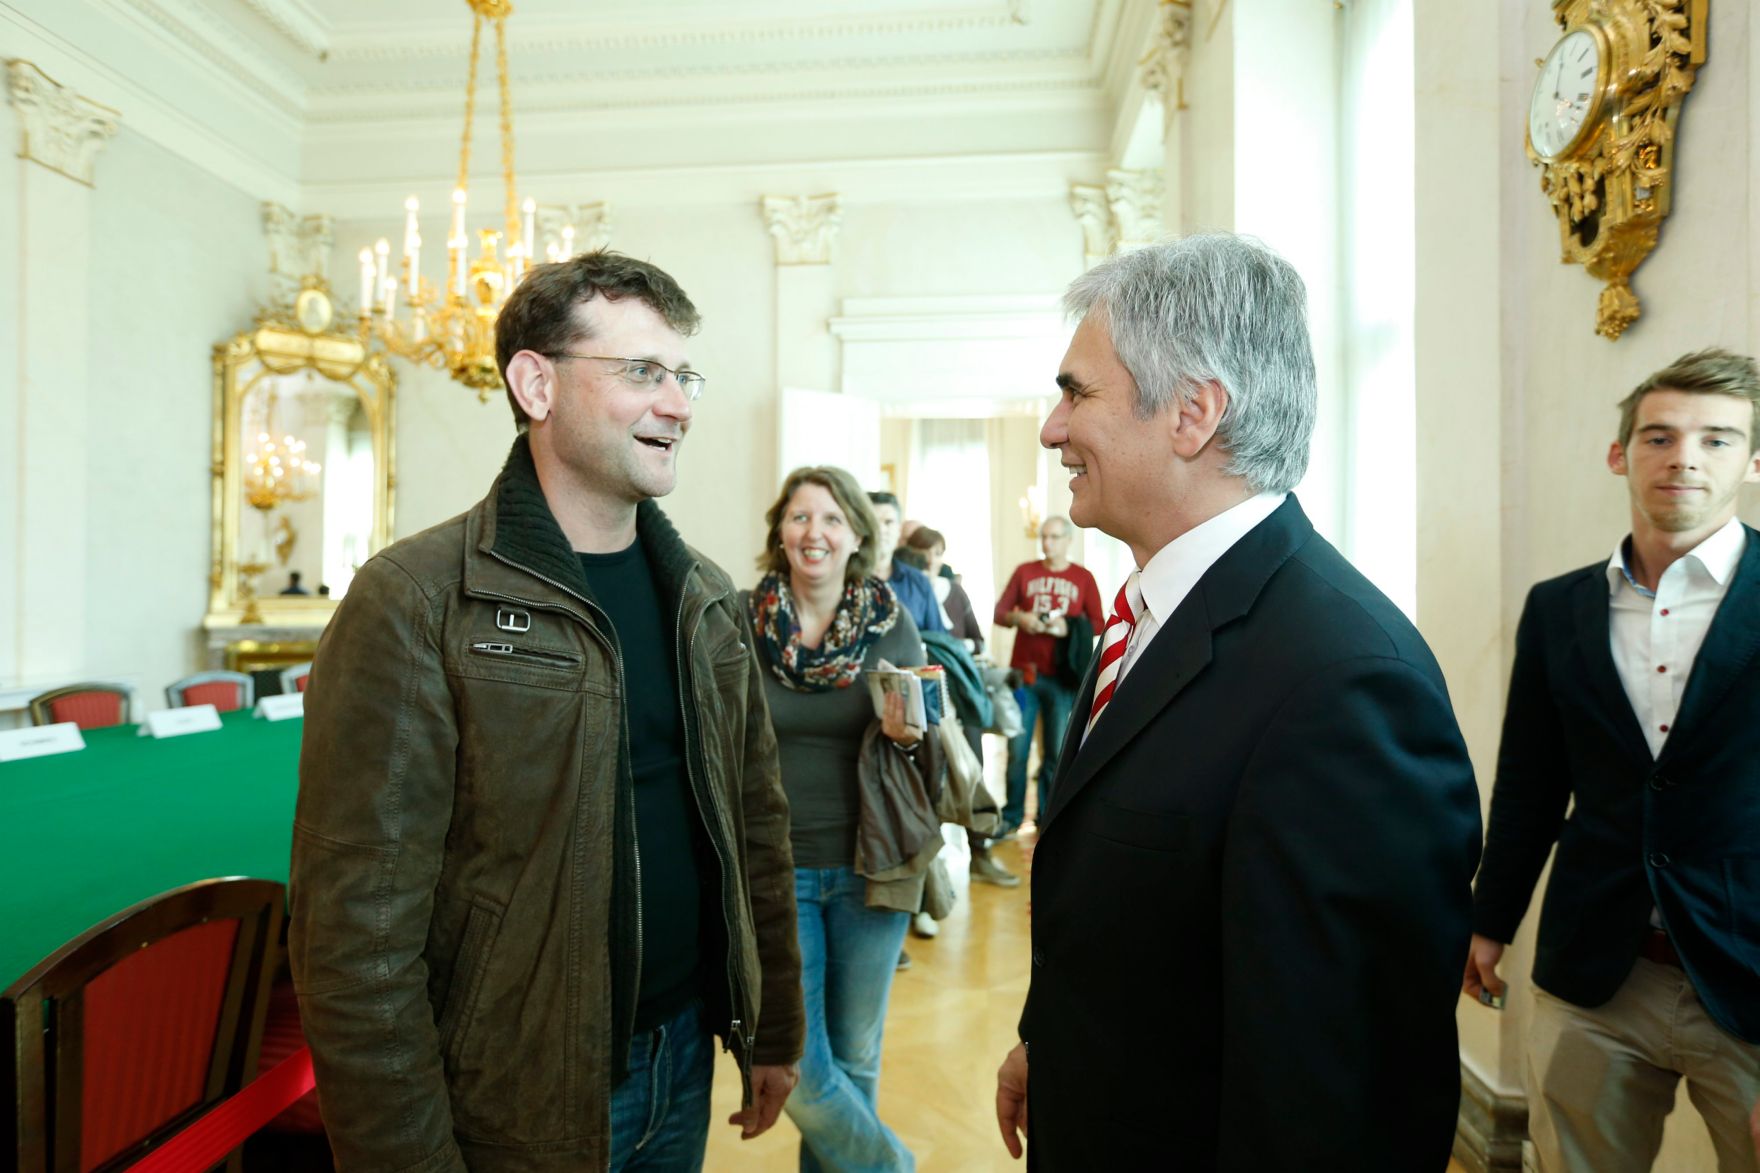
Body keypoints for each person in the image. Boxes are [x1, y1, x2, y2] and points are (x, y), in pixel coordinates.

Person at [290, 252, 803, 1172]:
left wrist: (774, 1027)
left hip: (682, 1061)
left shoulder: (707, 599)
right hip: (513, 1091)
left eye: (682, 375)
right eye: (643, 371)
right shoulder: (415, 601)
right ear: (536, 383)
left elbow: (754, 826)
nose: (680, 403)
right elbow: (355, 940)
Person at [993, 234, 1482, 1170]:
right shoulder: (1147, 614)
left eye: (1076, 392)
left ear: (1192, 412)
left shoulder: (1343, 679)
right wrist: (1050, 1039)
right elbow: (1145, 914)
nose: (1053, 428)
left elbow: (1344, 1089)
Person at [1465, 348, 1760, 1173]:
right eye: (1659, 436)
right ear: (1619, 453)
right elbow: (1530, 778)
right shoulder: (1558, 607)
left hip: (1745, 974)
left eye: (1716, 439)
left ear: (1754, 459)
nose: (1684, 459)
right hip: (1594, 970)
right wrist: (1491, 919)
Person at [750, 465, 926, 1172]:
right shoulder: (742, 617)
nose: (813, 532)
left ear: (856, 532)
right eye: (799, 517)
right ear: (779, 531)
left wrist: (908, 730)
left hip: (870, 864)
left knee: (854, 1057)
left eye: (829, 518)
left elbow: (924, 739)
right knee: (794, 1055)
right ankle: (890, 1167)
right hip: (775, 866)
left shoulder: (891, 621)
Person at [901, 525, 1019, 891]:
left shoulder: (955, 591)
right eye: (923, 554)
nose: (931, 561)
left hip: (961, 695)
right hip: (923, 696)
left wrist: (952, 649)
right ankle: (927, 881)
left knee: (973, 773)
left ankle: (979, 853)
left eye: (936, 553)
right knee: (926, 779)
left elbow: (977, 638)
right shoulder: (906, 590)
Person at [991, 516, 1102, 835]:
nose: (1047, 543)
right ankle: (1012, 816)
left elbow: (1099, 621)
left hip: (1062, 678)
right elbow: (999, 613)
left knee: (1056, 751)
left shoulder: (1083, 578)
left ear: (1068, 540)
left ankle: (1046, 818)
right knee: (1017, 749)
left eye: (1054, 537)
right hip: (1024, 674)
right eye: (1044, 537)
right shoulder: (1026, 572)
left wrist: (1068, 626)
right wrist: (1019, 617)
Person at [867, 491, 946, 636]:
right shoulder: (844, 578)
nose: (881, 530)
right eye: (873, 522)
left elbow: (940, 639)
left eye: (888, 522)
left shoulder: (919, 583)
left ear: (898, 530)